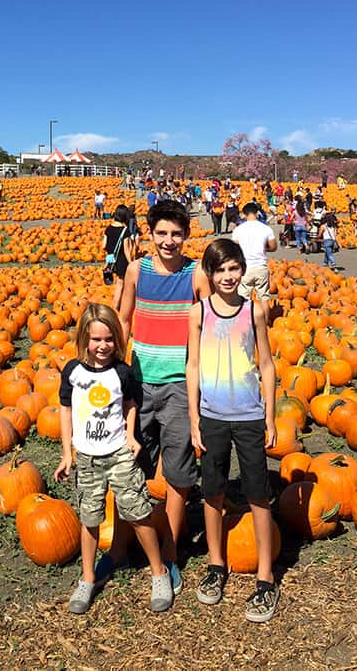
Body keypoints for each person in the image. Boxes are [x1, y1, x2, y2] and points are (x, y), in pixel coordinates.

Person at [106, 201, 210, 593]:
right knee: (130, 464)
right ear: (150, 235)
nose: (169, 241)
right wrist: (116, 371)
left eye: (176, 234)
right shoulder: (137, 271)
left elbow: (209, 320)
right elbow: (126, 320)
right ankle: (120, 545)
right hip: (139, 385)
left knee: (180, 471)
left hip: (180, 387)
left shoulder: (195, 274)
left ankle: (169, 549)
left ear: (186, 236)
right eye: (161, 233)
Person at [54, 303, 172, 614]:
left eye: (108, 339)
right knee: (90, 518)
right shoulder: (73, 372)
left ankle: (158, 572)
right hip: (88, 458)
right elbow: (65, 411)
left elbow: (131, 404)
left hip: (119, 452)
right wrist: (68, 453)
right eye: (96, 340)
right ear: (84, 339)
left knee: (137, 513)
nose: (103, 346)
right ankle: (88, 578)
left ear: (116, 339)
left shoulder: (121, 371)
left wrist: (131, 436)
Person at [186, 238, 278, 621]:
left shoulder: (255, 311)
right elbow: (192, 367)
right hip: (212, 415)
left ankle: (266, 577)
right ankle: (215, 564)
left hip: (249, 415)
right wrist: (193, 417)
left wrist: (270, 416)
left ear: (242, 270)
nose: (228, 276)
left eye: (234, 268)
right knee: (213, 491)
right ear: (209, 273)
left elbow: (268, 365)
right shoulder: (199, 313)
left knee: (258, 494)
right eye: (220, 269)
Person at [231, 202, 277, 324]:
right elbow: (273, 247)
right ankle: (265, 325)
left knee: (243, 298)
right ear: (257, 213)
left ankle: (244, 325)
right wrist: (263, 248)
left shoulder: (238, 230)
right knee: (264, 298)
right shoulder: (266, 228)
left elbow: (234, 248)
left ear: (244, 214)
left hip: (245, 268)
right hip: (261, 266)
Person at [103, 205, 133, 311]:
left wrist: (110, 253)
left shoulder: (108, 228)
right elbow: (126, 250)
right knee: (121, 285)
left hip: (110, 259)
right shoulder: (125, 231)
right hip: (121, 261)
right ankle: (115, 308)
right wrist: (131, 263)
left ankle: (118, 305)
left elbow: (104, 246)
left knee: (116, 283)